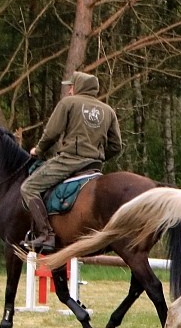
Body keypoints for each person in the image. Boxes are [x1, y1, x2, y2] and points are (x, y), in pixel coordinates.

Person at [20, 71, 122, 253]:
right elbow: (116, 146)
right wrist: (98, 155)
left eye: (71, 87)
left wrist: (39, 150)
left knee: (28, 188)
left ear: (78, 87)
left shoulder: (68, 103)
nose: (68, 91)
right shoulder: (108, 111)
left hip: (70, 161)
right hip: (94, 165)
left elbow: (51, 133)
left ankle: (46, 234)